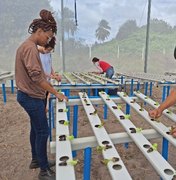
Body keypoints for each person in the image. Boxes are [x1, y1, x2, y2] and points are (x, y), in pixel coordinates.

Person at [15, 9, 68, 180]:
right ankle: (43, 170)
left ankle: (37, 160)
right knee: (43, 131)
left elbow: (37, 75)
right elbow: (37, 77)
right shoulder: (30, 49)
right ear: (39, 31)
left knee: (36, 129)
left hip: (28, 95)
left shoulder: (28, 47)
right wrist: (56, 93)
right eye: (47, 37)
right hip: (31, 97)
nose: (47, 40)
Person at [38, 37, 61, 110]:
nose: (49, 51)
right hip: (40, 81)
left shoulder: (48, 54)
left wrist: (54, 75)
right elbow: (39, 70)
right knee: (40, 100)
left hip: (47, 80)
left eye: (51, 50)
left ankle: (44, 110)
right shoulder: (37, 53)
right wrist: (52, 76)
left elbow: (50, 66)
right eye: (48, 49)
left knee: (45, 97)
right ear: (44, 46)